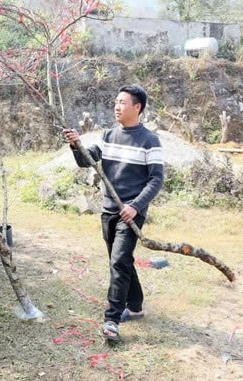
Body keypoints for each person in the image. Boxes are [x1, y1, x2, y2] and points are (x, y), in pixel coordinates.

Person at [63, 84, 164, 341]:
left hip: (131, 212)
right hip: (109, 209)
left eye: (122, 102)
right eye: (116, 102)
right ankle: (136, 306)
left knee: (119, 261)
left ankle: (112, 319)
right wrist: (76, 144)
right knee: (122, 260)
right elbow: (87, 160)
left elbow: (156, 180)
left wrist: (135, 206)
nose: (117, 106)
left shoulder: (149, 140)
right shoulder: (108, 135)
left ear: (137, 107)